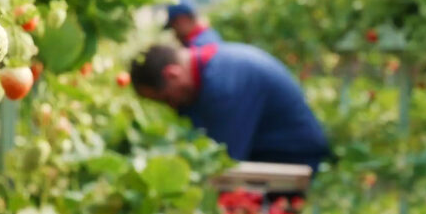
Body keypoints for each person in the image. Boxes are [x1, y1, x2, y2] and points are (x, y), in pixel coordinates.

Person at [130, 43, 329, 171]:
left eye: (166, 98)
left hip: (293, 158)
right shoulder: (208, 66)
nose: (172, 106)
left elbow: (225, 161)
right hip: (269, 154)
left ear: (172, 74)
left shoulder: (223, 86)